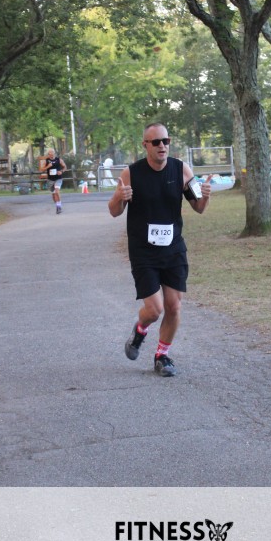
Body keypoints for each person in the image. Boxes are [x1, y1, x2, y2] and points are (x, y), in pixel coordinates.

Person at [108, 123, 211, 377]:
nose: (162, 146)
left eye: (166, 141)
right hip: (143, 251)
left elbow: (199, 207)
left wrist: (205, 195)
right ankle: (140, 330)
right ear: (145, 145)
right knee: (154, 310)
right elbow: (114, 211)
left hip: (173, 248)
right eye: (156, 142)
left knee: (174, 306)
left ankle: (162, 356)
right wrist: (119, 197)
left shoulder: (181, 170)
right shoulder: (131, 173)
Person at [40, 149, 67, 214]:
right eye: (50, 154)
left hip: (58, 178)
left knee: (57, 192)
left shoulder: (59, 160)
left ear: (54, 154)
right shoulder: (46, 161)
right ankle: (57, 205)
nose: (51, 155)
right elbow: (41, 169)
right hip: (50, 180)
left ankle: (59, 207)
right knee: (53, 195)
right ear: (48, 155)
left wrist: (61, 171)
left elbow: (65, 167)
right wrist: (48, 166)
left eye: (52, 154)